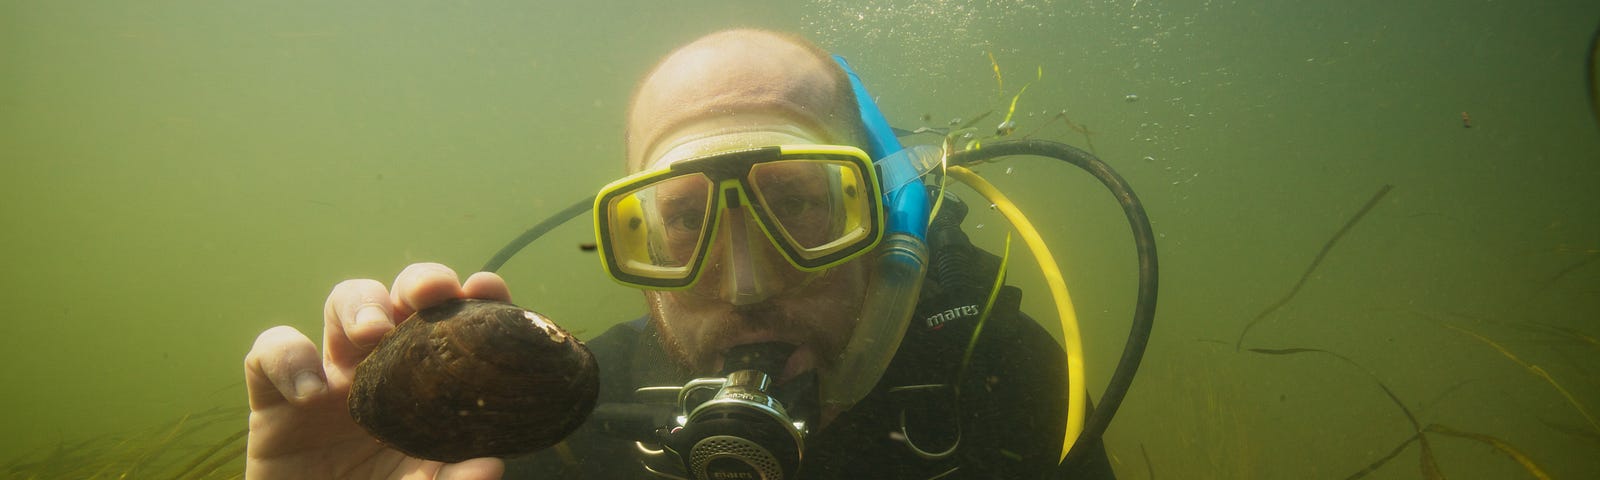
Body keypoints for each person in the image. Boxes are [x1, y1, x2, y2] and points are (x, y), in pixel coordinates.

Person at [244, 29, 1116, 479]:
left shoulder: (997, 386)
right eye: (687, 222)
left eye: (803, 205)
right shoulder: (555, 434)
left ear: (886, 227)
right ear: (637, 244)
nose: (746, 285)